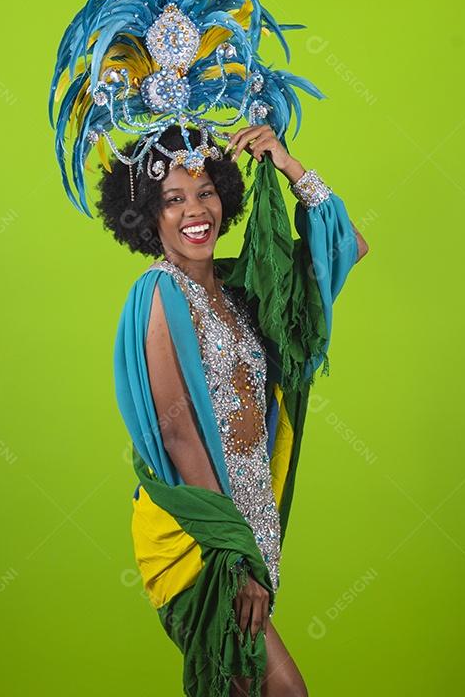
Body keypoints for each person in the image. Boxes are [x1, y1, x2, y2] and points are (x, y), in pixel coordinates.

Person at [105, 122, 367, 696]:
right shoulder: (158, 294)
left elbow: (347, 247)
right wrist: (234, 554)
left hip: (252, 520)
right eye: (172, 199)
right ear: (148, 215)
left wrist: (289, 165)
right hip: (202, 535)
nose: (194, 210)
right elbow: (178, 435)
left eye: (205, 191)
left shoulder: (241, 290)